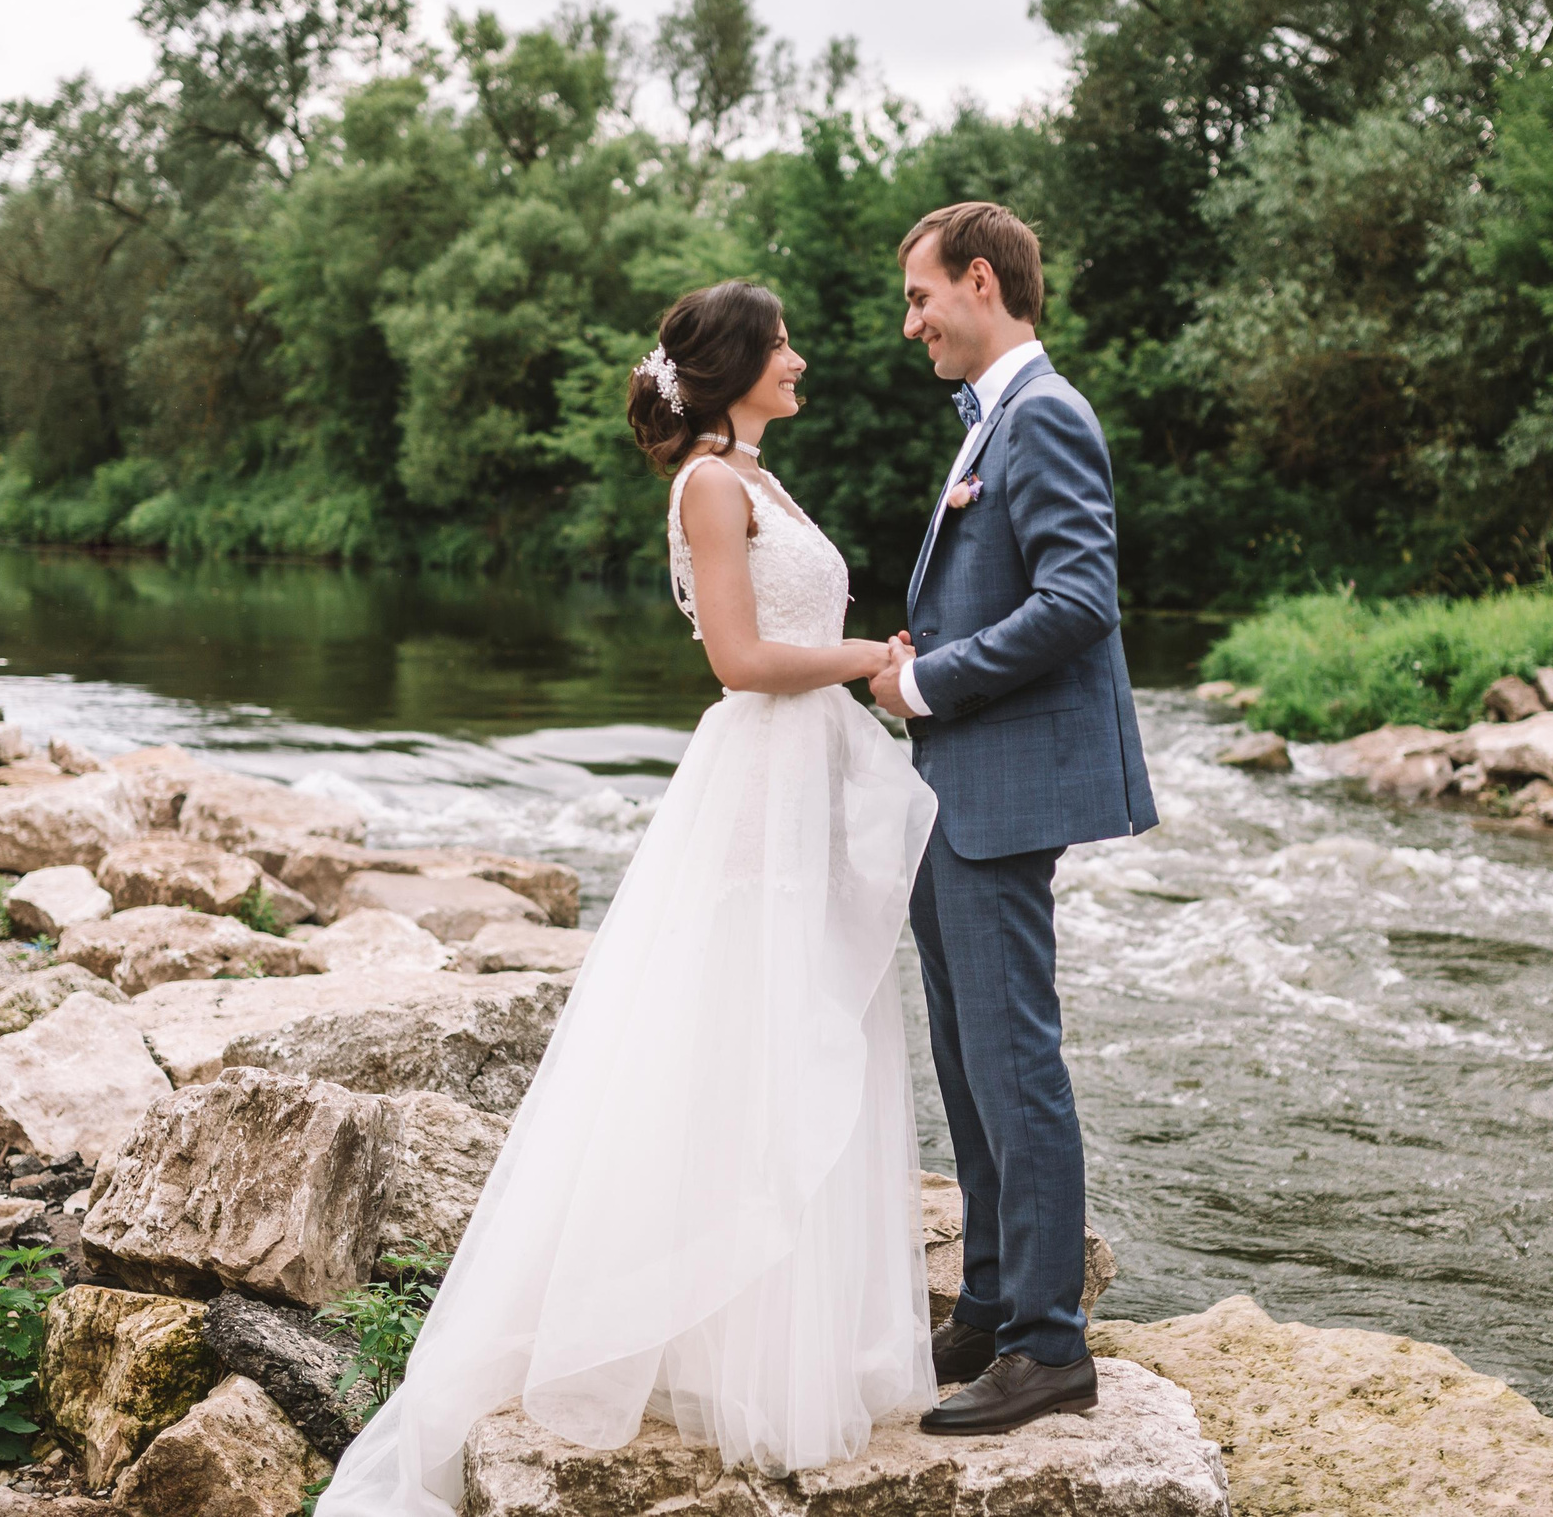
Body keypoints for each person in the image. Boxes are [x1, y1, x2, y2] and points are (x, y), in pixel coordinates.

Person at [315, 280, 936, 1515]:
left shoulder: (757, 476)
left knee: (805, 1025)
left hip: (802, 774)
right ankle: (695, 1331)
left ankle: (771, 1333)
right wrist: (875, 657)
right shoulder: (710, 484)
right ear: (734, 367)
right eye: (781, 346)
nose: (800, 359)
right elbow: (739, 659)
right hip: (759, 777)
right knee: (747, 1031)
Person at [868, 202, 1158, 1436]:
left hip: (996, 791)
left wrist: (926, 680)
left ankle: (1048, 1347)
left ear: (980, 282)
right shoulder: (993, 416)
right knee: (966, 1060)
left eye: (921, 297)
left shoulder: (1045, 414)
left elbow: (1079, 599)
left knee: (1013, 1064)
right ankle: (990, 1307)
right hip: (958, 790)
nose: (910, 322)